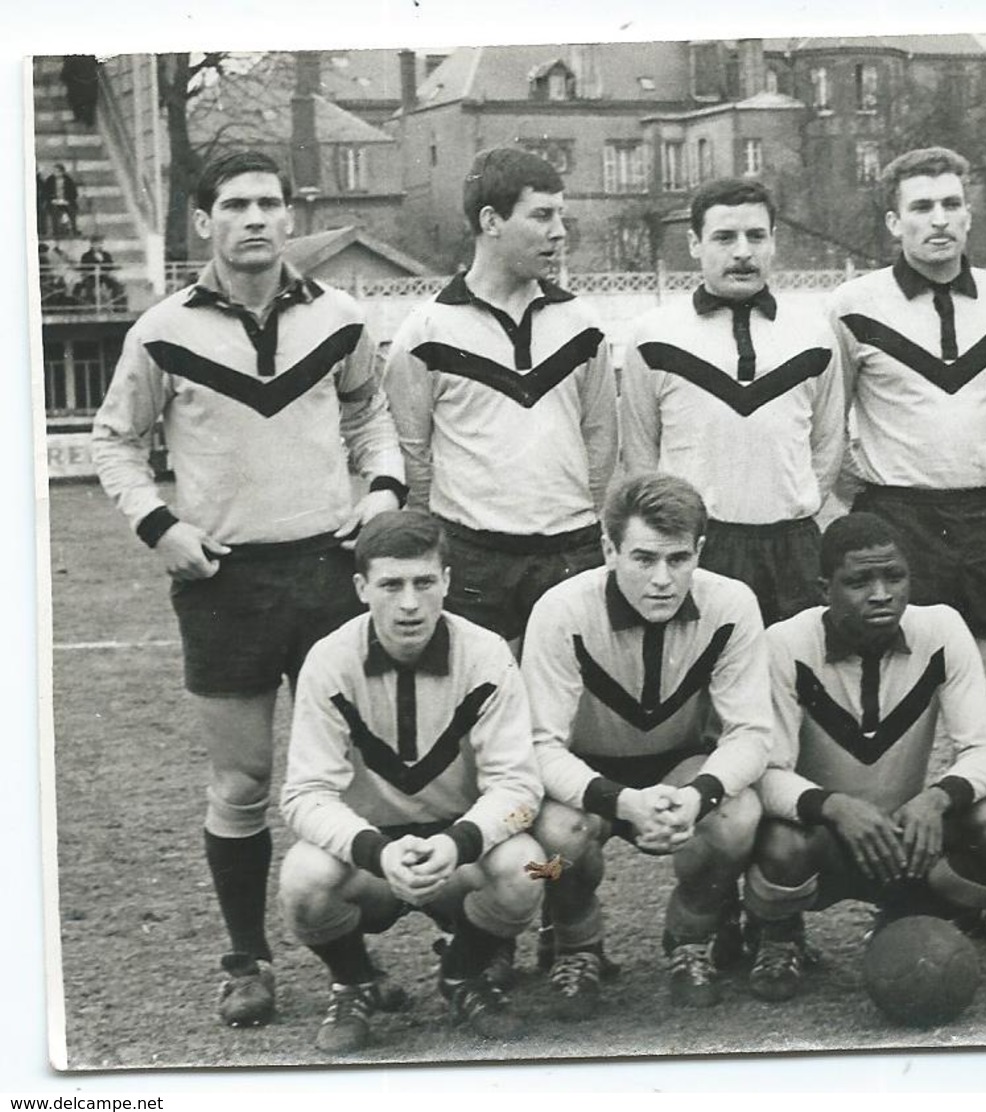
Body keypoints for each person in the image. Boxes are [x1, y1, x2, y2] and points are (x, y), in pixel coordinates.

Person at [91, 150, 406, 1027]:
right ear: (205, 222)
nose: (256, 218)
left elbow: (369, 415)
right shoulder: (160, 330)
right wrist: (162, 527)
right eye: (236, 205)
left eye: (271, 202)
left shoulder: (341, 316)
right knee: (241, 782)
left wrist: (381, 489)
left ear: (292, 213)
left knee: (334, 781)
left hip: (324, 571)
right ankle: (246, 961)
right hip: (223, 579)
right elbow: (114, 441)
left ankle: (346, 957)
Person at [279, 511, 544, 1053]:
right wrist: (377, 853)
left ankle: (464, 974)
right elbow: (304, 795)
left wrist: (457, 842)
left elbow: (519, 790)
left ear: (446, 580)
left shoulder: (488, 654)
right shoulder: (329, 661)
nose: (408, 603)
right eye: (390, 585)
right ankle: (354, 982)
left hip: (462, 853)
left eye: (424, 583)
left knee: (538, 866)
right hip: (371, 860)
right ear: (361, 588)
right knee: (300, 878)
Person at [520, 472, 772, 1019]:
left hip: (682, 766)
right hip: (584, 771)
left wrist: (698, 795)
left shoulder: (732, 604)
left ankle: (691, 938)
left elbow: (751, 733)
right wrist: (621, 801)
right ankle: (573, 939)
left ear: (700, 551)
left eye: (679, 559)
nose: (662, 579)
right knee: (550, 840)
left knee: (739, 815)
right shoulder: (561, 610)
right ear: (608, 548)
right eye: (642, 559)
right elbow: (539, 746)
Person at [743, 513, 986, 1002]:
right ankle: (780, 934)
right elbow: (765, 771)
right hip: (826, 837)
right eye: (858, 581)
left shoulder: (940, 629)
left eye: (894, 577)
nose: (880, 593)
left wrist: (937, 798)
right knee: (780, 843)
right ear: (823, 587)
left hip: (904, 838)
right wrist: (834, 807)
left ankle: (925, 911)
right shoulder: (784, 644)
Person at [384, 147, 615, 650]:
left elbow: (600, 439)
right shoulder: (425, 332)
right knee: (481, 710)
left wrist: (580, 523)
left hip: (570, 552)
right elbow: (413, 455)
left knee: (568, 715)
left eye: (561, 216)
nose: (559, 232)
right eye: (542, 215)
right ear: (491, 220)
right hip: (473, 557)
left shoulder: (583, 325)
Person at [830, 147, 986, 660]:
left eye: (952, 204)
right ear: (894, 223)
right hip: (897, 517)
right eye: (922, 207)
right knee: (900, 685)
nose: (939, 220)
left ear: (969, 215)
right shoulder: (853, 306)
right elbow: (826, 420)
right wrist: (867, 486)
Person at [619, 178, 845, 626]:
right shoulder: (653, 335)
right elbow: (642, 451)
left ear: (773, 242)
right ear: (694, 243)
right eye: (724, 237)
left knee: (791, 678)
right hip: (699, 546)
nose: (743, 252)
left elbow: (828, 441)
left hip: (791, 546)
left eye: (755, 236)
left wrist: (793, 506)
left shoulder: (815, 335)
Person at [77, 235, 124, 309]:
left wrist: (102, 263)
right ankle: (92, 306)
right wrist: (91, 271)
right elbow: (83, 267)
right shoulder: (86, 256)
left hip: (104, 276)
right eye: (95, 244)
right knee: (88, 287)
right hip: (91, 277)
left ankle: (115, 306)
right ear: (91, 245)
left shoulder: (106, 255)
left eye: (99, 244)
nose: (97, 246)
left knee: (116, 286)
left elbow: (110, 266)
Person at [43, 163, 79, 238]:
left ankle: (74, 230)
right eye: (54, 171)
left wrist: (67, 200)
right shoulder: (50, 180)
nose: (55, 173)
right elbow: (45, 193)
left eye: (57, 171)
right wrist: (52, 200)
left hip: (66, 202)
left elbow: (74, 193)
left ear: (62, 172)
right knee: (54, 211)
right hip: (54, 202)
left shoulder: (68, 180)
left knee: (71, 210)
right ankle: (56, 232)